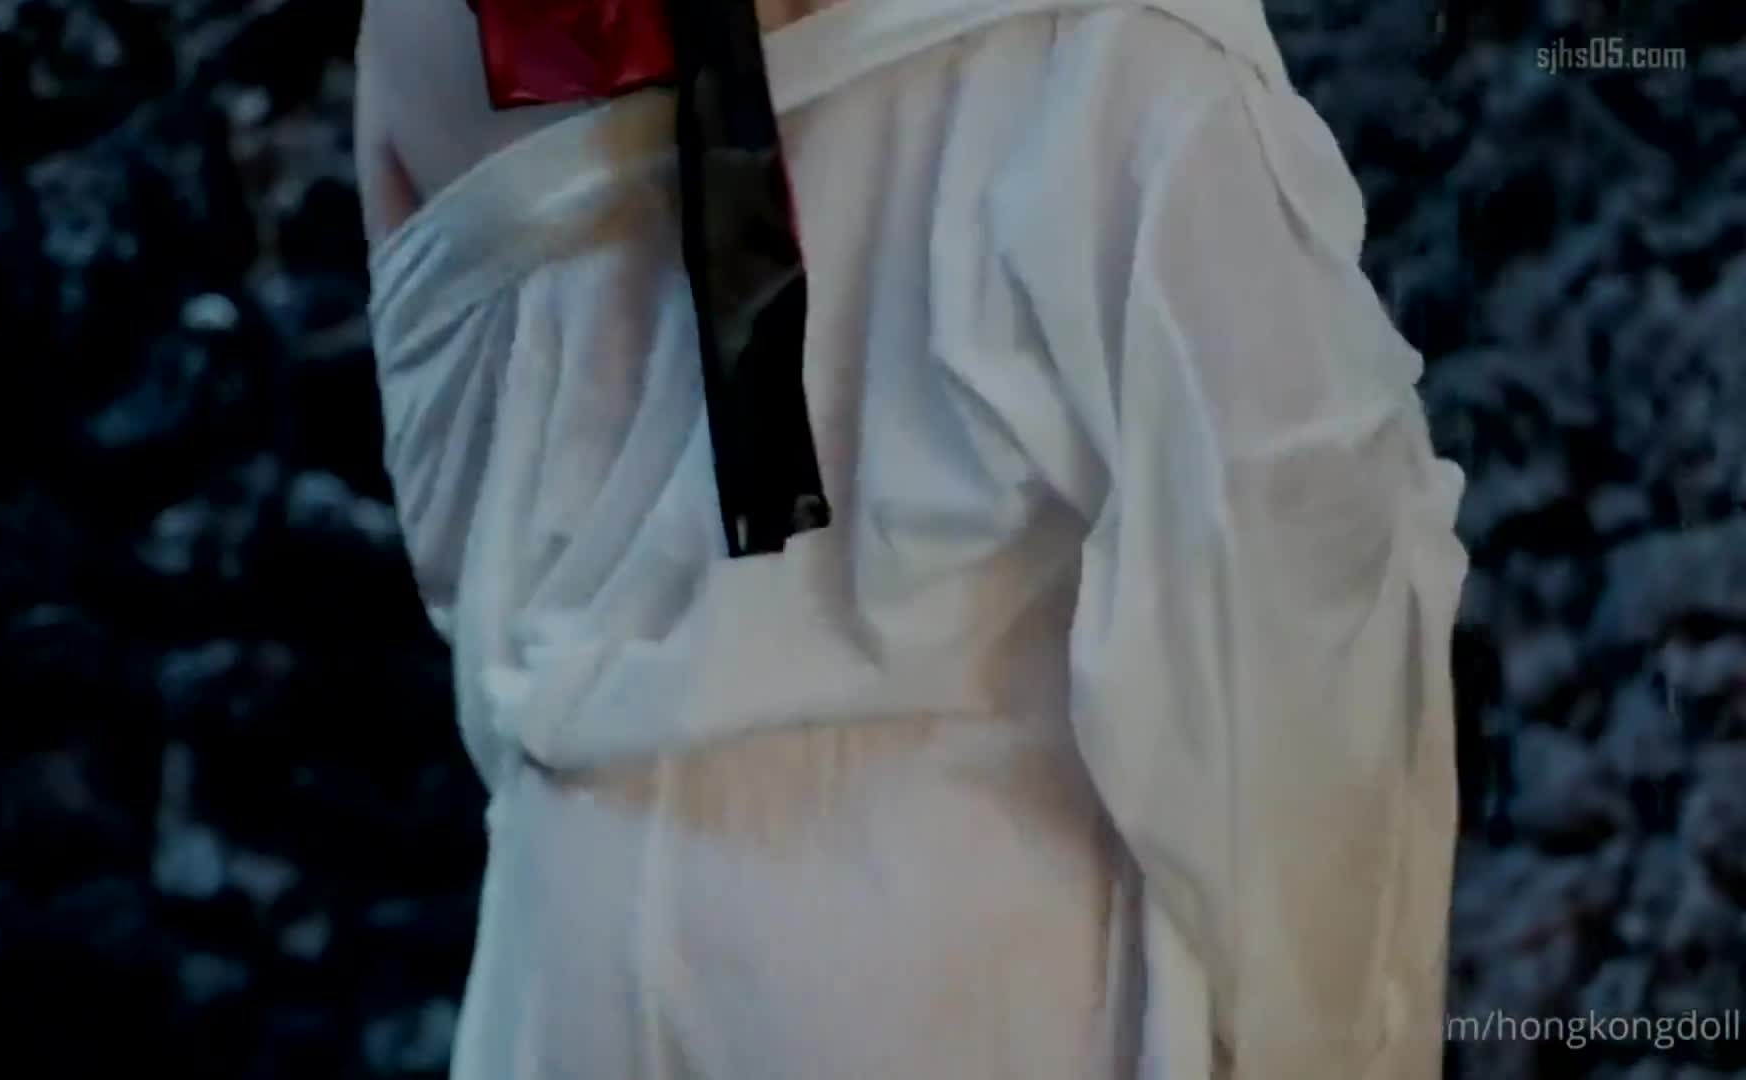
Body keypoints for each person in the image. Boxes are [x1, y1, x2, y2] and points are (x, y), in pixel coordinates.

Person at [356, 0, 1470, 1077]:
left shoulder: (422, 23)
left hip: (567, 963)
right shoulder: (1120, 42)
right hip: (970, 964)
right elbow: (1294, 569)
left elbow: (457, 532)